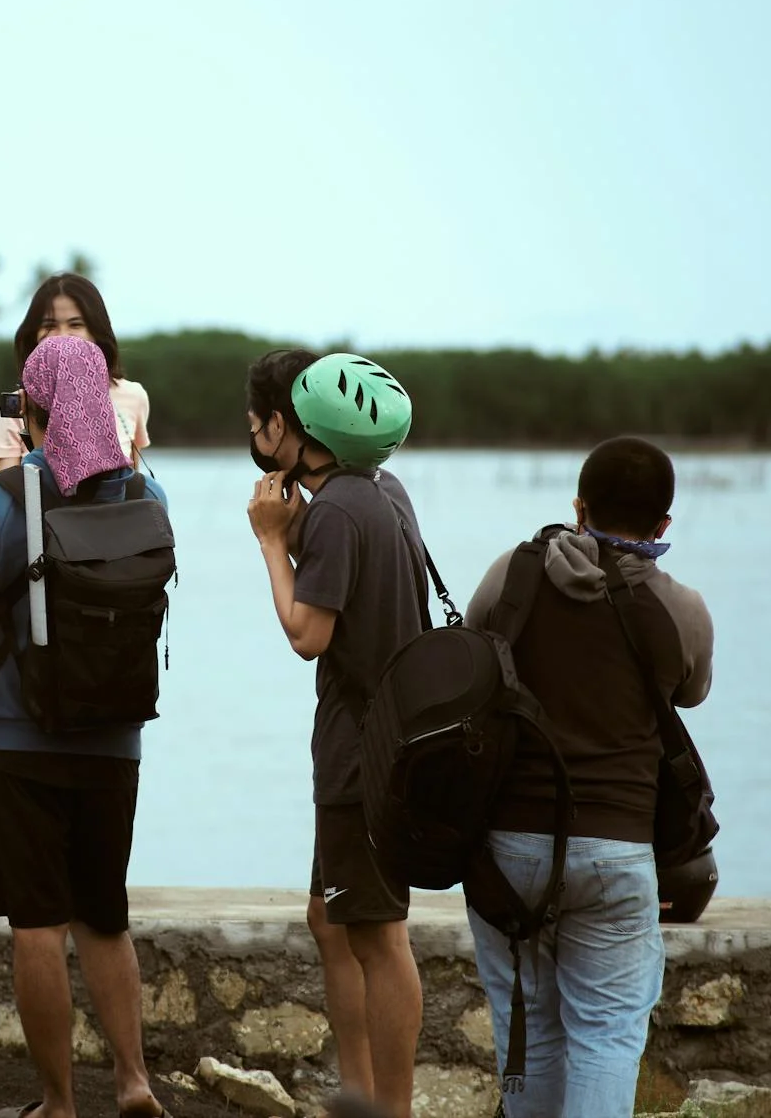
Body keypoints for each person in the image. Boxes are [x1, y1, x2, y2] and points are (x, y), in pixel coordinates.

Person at [0, 335, 168, 1118]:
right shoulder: (147, 496)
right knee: (105, 914)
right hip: (116, 742)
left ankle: (58, 1104)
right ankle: (132, 1080)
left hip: (16, 742)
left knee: (36, 926)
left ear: (29, 407)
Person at [461, 438, 714, 1118]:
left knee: (529, 1033)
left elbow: (469, 663)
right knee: (604, 1036)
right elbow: (691, 692)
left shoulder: (510, 575)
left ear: (578, 506)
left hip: (505, 849)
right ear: (664, 525)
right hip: (616, 846)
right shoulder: (680, 607)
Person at [244, 350, 427, 1118]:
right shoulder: (380, 492)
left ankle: (390, 1107)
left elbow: (307, 632)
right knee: (331, 917)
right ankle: (358, 1093)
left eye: (258, 424)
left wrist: (267, 539)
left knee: (379, 934)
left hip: (364, 752)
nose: (254, 434)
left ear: (299, 428)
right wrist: (296, 533)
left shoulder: (340, 512)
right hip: (384, 739)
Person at [0, 272, 151, 473]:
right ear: (34, 336)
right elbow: (4, 495)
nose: (63, 336)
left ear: (97, 333)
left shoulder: (133, 396)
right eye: (49, 326)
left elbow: (133, 487)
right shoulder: (16, 408)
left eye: (75, 325)